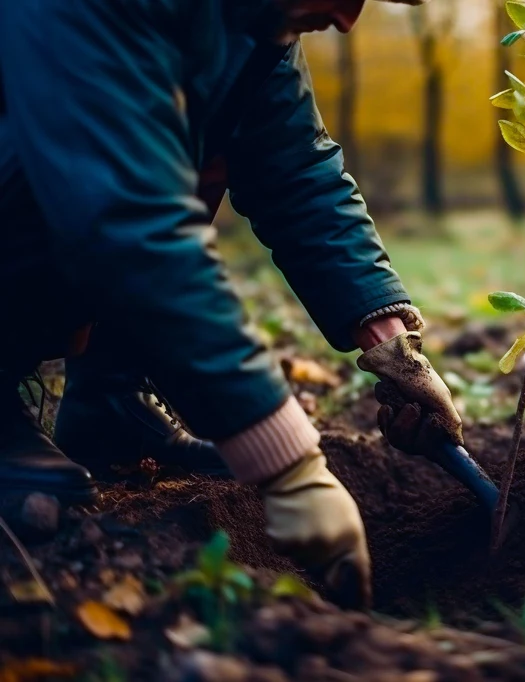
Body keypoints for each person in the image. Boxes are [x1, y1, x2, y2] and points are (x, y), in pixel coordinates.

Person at [0, 0, 464, 609]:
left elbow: (294, 171)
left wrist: (390, 340)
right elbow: (128, 218)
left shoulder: (254, 23)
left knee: (195, 154)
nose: (350, 20)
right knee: (120, 175)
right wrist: (288, 465)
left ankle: (109, 406)